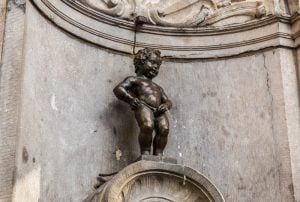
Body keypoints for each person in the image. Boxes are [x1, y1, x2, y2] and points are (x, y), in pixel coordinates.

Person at [113, 48, 172, 156]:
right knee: (147, 125)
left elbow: (167, 100)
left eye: (158, 66)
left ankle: (159, 154)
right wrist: (130, 99)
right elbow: (119, 89)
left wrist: (166, 105)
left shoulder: (157, 87)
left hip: (159, 110)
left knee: (164, 129)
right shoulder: (134, 80)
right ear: (141, 62)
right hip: (143, 106)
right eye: (153, 63)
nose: (155, 67)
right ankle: (145, 153)